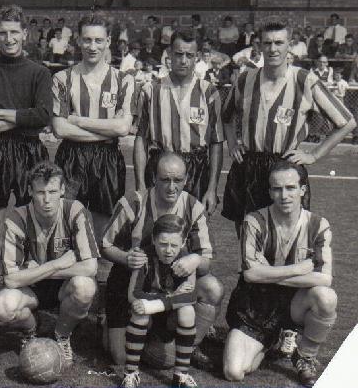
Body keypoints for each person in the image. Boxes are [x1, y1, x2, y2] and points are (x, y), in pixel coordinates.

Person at [221, 20, 356, 233]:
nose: (272, 49)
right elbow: (226, 116)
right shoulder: (245, 79)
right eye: (267, 43)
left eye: (278, 43)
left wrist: (315, 155)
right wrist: (232, 144)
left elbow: (347, 122)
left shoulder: (304, 80)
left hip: (286, 167)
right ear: (259, 46)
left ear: (289, 45)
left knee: (287, 236)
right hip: (249, 166)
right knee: (248, 236)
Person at [103, 153, 223, 371]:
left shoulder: (194, 207)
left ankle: (187, 344)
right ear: (154, 179)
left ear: (186, 180)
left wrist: (195, 259)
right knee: (120, 357)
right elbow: (104, 245)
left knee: (212, 288)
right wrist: (126, 257)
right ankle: (117, 325)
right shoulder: (133, 203)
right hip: (131, 285)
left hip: (170, 287)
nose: (171, 187)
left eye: (177, 180)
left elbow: (207, 262)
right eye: (165, 179)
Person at [223, 162, 337, 388]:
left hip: (295, 303)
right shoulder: (254, 221)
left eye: (290, 187)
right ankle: (272, 342)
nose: (284, 195)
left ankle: (305, 357)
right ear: (269, 192)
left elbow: (324, 278)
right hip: (257, 304)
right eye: (277, 189)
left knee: (326, 297)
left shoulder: (318, 225)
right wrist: (298, 268)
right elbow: (251, 276)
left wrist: (268, 273)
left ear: (302, 190)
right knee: (234, 372)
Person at [0, 161, 98, 367]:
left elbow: (90, 268)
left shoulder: (75, 211)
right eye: (41, 192)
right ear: (30, 191)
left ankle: (62, 335)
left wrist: (40, 270)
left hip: (62, 286)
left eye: (52, 191)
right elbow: (11, 279)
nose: (47, 199)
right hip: (30, 289)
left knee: (85, 287)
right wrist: (57, 264)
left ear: (62, 190)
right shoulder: (16, 218)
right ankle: (31, 331)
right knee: (4, 307)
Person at [52, 13, 134, 247]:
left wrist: (78, 121)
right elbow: (59, 128)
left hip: (107, 159)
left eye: (99, 40)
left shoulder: (123, 80)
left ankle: (94, 280)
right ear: (78, 41)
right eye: (87, 40)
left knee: (102, 229)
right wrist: (107, 130)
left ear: (109, 41)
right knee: (64, 222)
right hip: (71, 156)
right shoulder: (62, 78)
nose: (92, 46)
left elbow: (123, 127)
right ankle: (67, 280)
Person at [0, 5, 52, 210]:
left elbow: (43, 117)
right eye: (3, 32)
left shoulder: (39, 73)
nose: (9, 38)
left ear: (24, 33)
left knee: (34, 217)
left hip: (30, 150)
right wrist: (25, 118)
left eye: (14, 32)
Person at [134, 28, 224, 219]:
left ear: (197, 57)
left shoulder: (209, 92)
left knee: (195, 233)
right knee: (158, 232)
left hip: (197, 169)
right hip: (161, 166)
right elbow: (141, 140)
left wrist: (212, 188)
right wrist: (140, 185)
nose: (183, 60)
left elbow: (216, 143)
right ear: (169, 54)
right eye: (179, 54)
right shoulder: (151, 91)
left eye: (189, 55)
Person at [121, 214, 199, 388]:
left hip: (168, 317)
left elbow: (190, 296)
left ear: (184, 242)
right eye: (163, 244)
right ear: (154, 240)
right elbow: (133, 294)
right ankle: (131, 373)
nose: (169, 250)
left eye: (174, 245)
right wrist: (171, 298)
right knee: (139, 311)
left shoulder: (186, 260)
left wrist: (157, 303)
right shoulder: (144, 257)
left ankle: (181, 375)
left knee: (187, 311)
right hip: (148, 317)